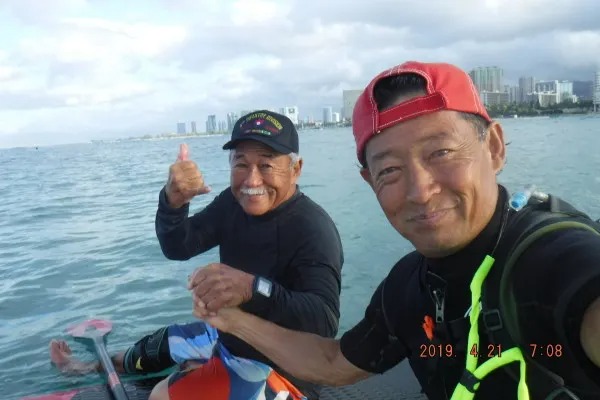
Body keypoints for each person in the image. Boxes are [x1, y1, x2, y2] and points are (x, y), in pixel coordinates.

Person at [193, 62, 600, 400]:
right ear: (370, 182)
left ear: (494, 148)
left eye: (441, 152)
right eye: (390, 170)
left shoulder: (551, 258)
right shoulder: (409, 286)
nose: (420, 191)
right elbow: (332, 363)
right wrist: (230, 320)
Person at [49, 110, 344, 400]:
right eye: (241, 164)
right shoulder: (233, 202)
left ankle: (200, 371)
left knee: (160, 395)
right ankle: (88, 368)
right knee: (162, 344)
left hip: (285, 370)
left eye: (266, 165)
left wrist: (252, 288)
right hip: (231, 338)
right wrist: (173, 204)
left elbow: (323, 321)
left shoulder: (313, 228)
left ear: (296, 169)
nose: (252, 181)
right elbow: (179, 246)